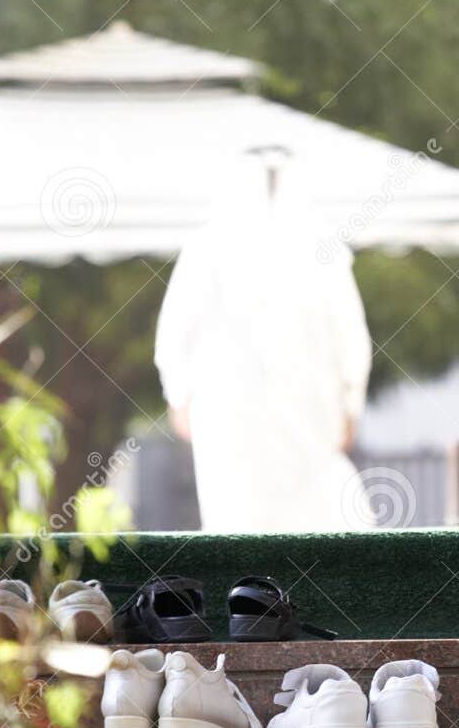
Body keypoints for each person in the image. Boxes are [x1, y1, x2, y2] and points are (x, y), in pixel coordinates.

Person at [155, 154, 375, 532]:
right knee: (275, 522)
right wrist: (350, 405)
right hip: (248, 417)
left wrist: (179, 397)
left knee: (252, 525)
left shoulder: (208, 246)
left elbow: (173, 340)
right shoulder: (317, 247)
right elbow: (352, 342)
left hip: (263, 417)